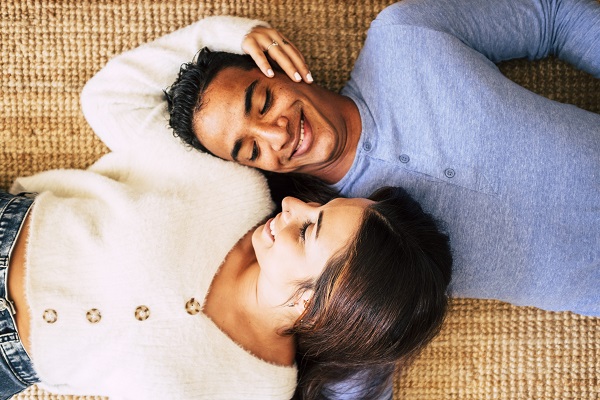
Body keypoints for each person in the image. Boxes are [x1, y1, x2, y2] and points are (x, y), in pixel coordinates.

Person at [0, 18, 452, 399]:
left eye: (306, 230)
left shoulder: (259, 389)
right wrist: (228, 35)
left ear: (314, 304)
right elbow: (114, 99)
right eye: (317, 206)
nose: (292, 203)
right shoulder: (232, 188)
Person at [162, 0, 600, 320]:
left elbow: (550, 15)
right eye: (251, 149)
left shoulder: (402, 36)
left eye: (263, 101)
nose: (276, 135)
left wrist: (228, 32)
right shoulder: (333, 252)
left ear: (276, 65)